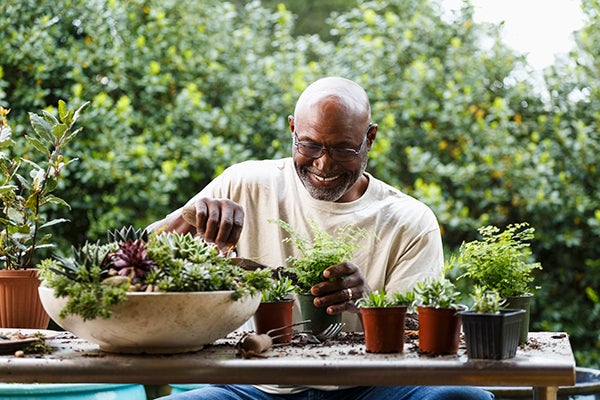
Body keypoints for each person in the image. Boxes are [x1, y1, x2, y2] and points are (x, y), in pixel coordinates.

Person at [149, 76, 493, 400]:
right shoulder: (245, 183)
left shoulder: (409, 220)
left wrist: (368, 302)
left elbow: (422, 338)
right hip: (256, 389)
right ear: (292, 129)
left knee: (464, 397)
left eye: (344, 149)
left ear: (369, 138)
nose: (324, 164)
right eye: (310, 145)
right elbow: (130, 260)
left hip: (372, 390)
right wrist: (187, 217)